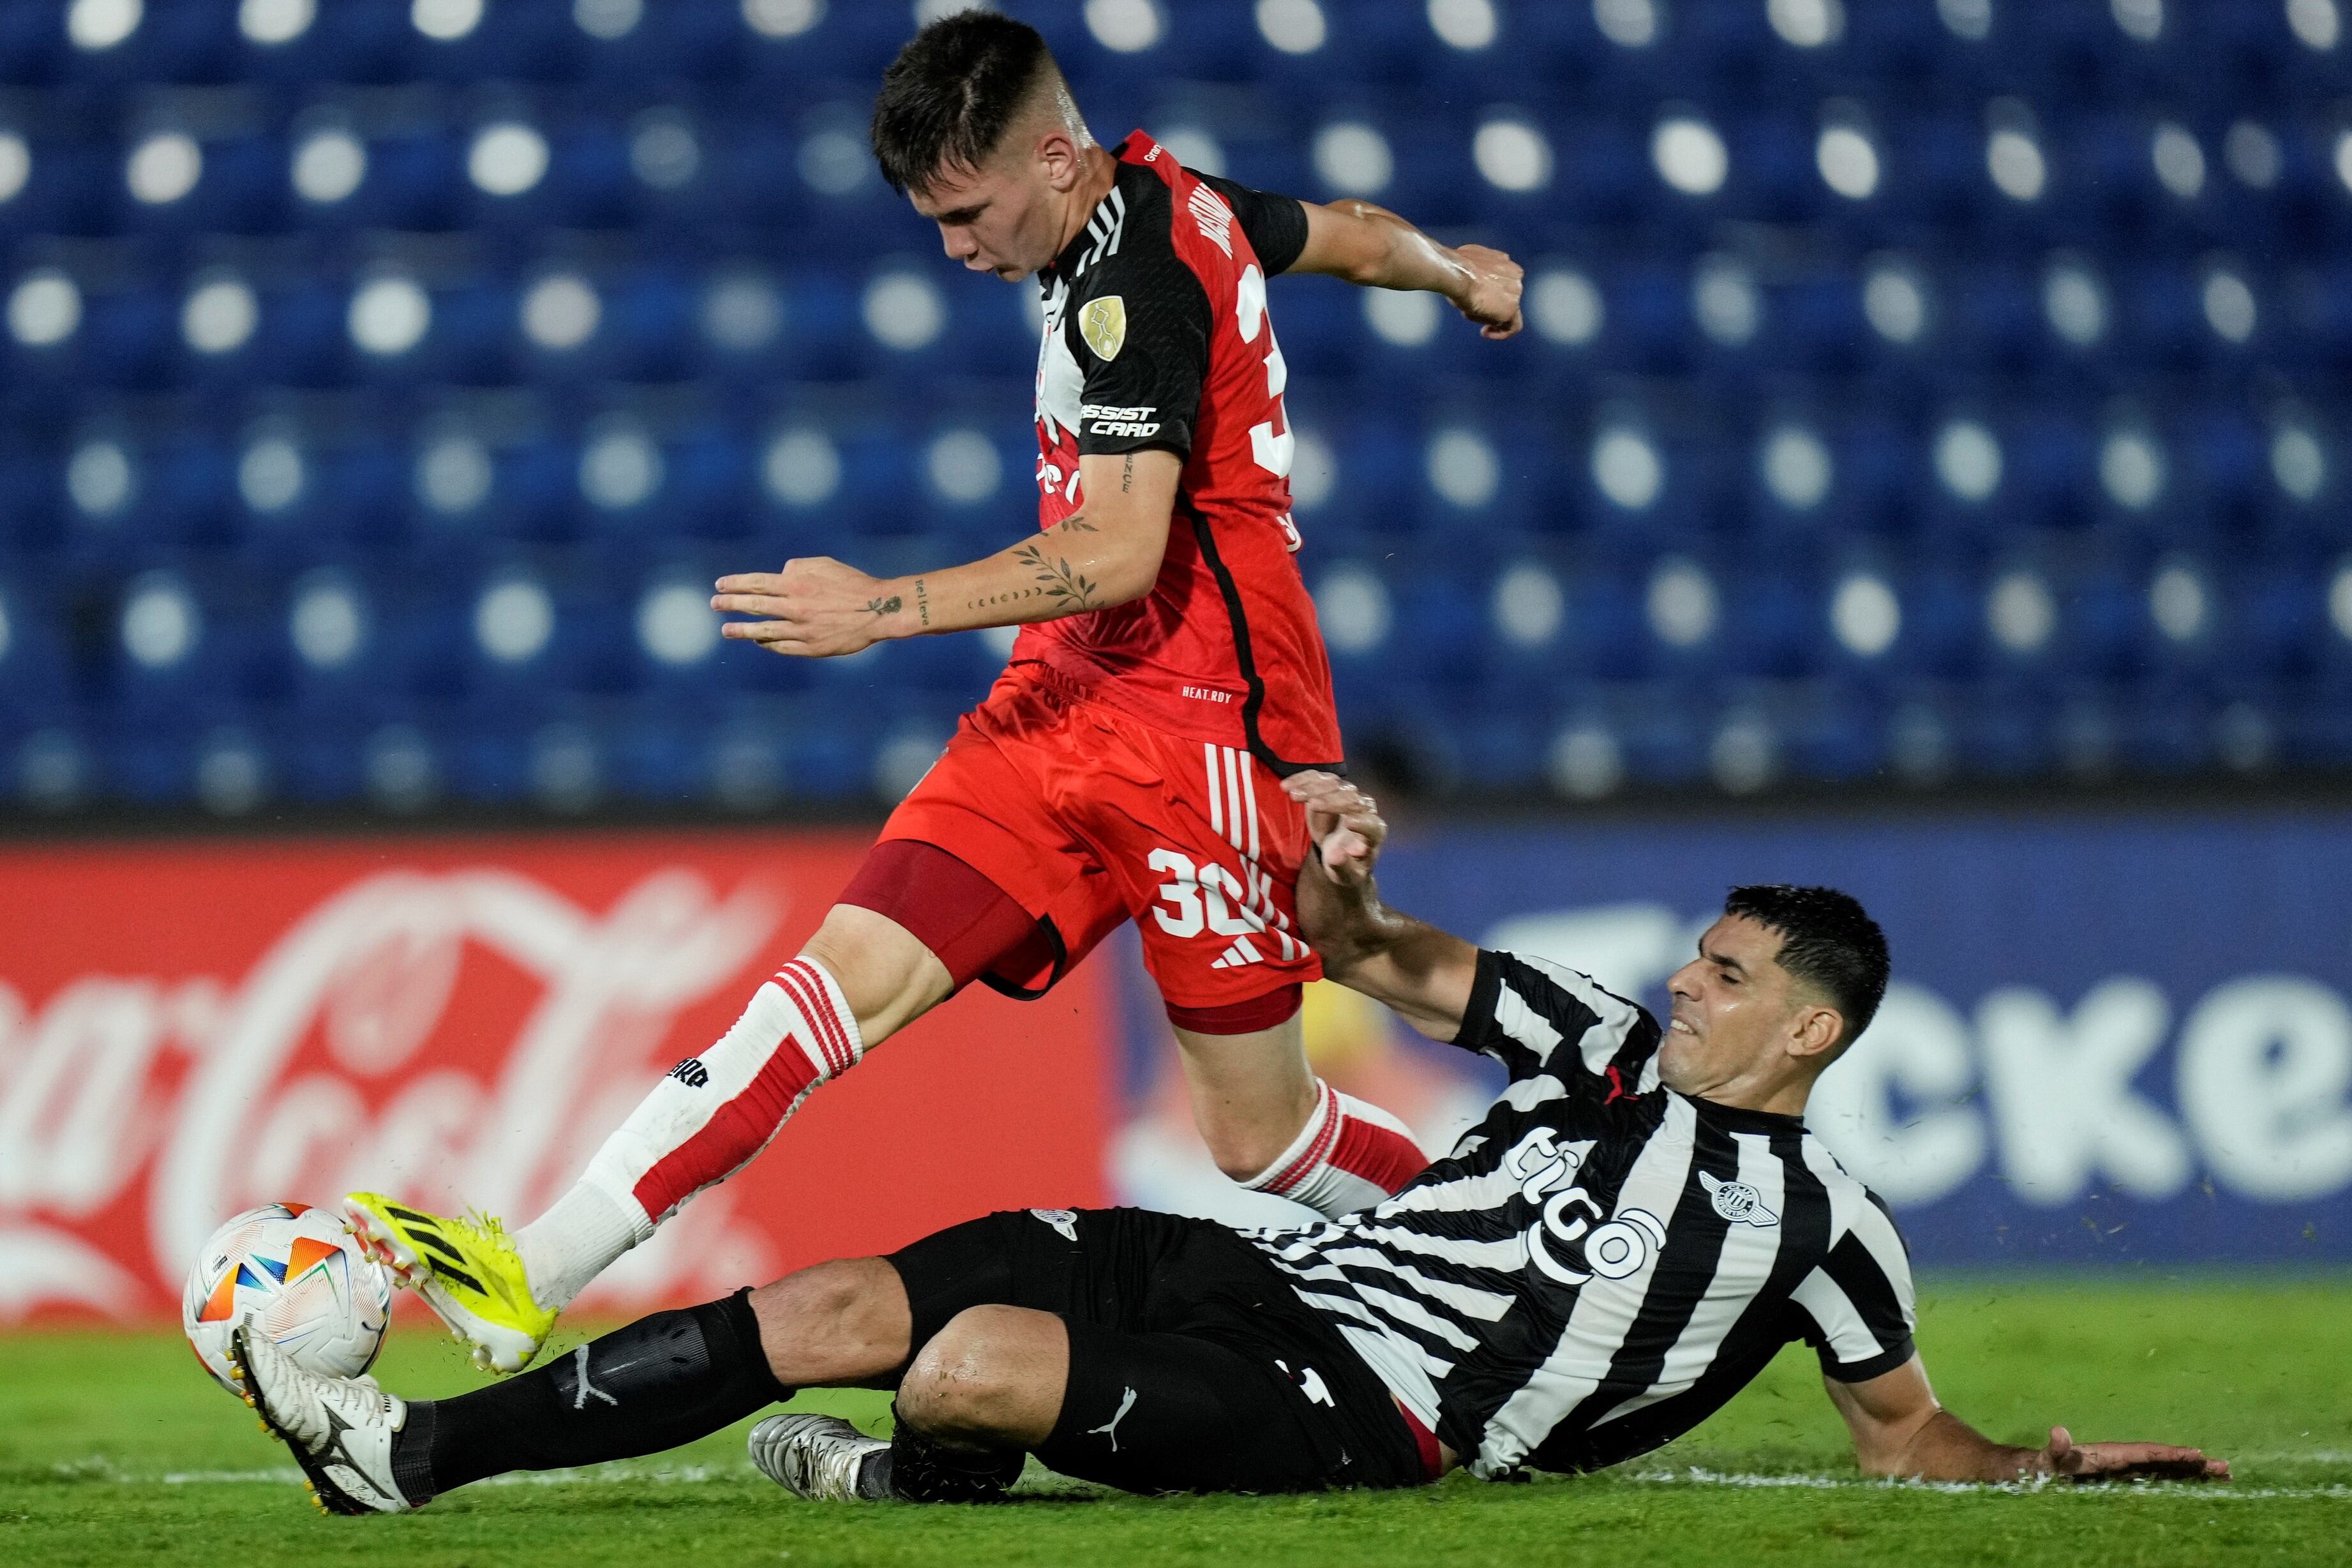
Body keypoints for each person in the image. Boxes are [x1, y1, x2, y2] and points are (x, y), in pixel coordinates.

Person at [336, 13, 1527, 1377]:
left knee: (1259, 1140)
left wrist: (879, 608)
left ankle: (1506, 1251)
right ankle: (528, 1267)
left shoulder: (1129, 281)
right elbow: (1350, 233)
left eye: (970, 212)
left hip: (1212, 725)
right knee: (830, 984)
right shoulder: (1171, 194)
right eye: (933, 218)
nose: (956, 249)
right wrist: (1459, 272)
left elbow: (1118, 549)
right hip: (1066, 694)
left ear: (1059, 158)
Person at [237, 774, 2226, 1512]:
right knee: (843, 1291)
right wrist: (1338, 876)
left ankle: (913, 1479)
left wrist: (2041, 1469)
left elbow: (1900, 1435)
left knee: (966, 1368)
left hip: (1366, 1406)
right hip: (1262, 1273)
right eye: (1692, 959)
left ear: (1812, 1022)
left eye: (1722, 974)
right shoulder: (1602, 1046)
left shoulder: (1822, 1223)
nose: (1684, 985)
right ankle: (411, 1458)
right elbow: (1394, 961)